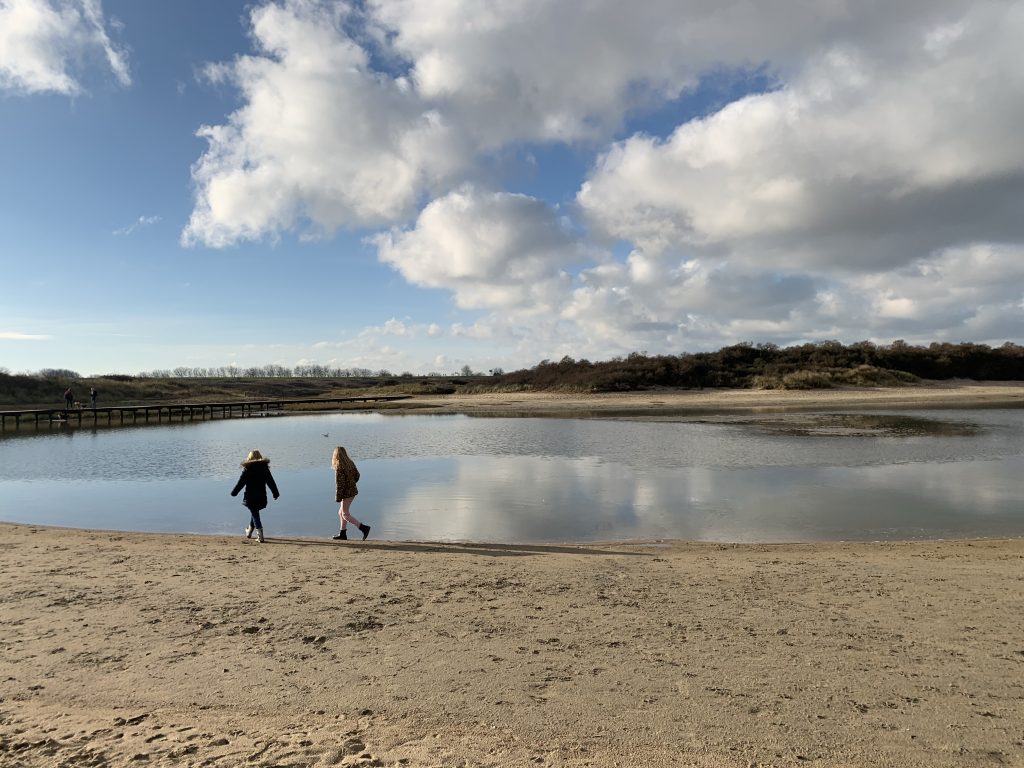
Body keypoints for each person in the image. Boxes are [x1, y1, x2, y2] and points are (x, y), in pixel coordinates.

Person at [230, 449, 280, 544]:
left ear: (250, 458)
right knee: (254, 512)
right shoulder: (265, 469)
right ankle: (249, 531)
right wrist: (275, 493)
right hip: (261, 497)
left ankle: (260, 536)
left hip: (250, 497)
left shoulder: (247, 469)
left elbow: (240, 483)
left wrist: (234, 492)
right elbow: (271, 482)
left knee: (255, 514)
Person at [331, 446, 370, 540]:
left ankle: (363, 528)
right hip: (352, 491)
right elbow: (357, 475)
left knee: (345, 514)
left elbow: (339, 485)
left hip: (346, 493)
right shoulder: (350, 463)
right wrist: (352, 484)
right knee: (341, 512)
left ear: (336, 456)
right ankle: (342, 533)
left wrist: (338, 497)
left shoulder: (339, 467)